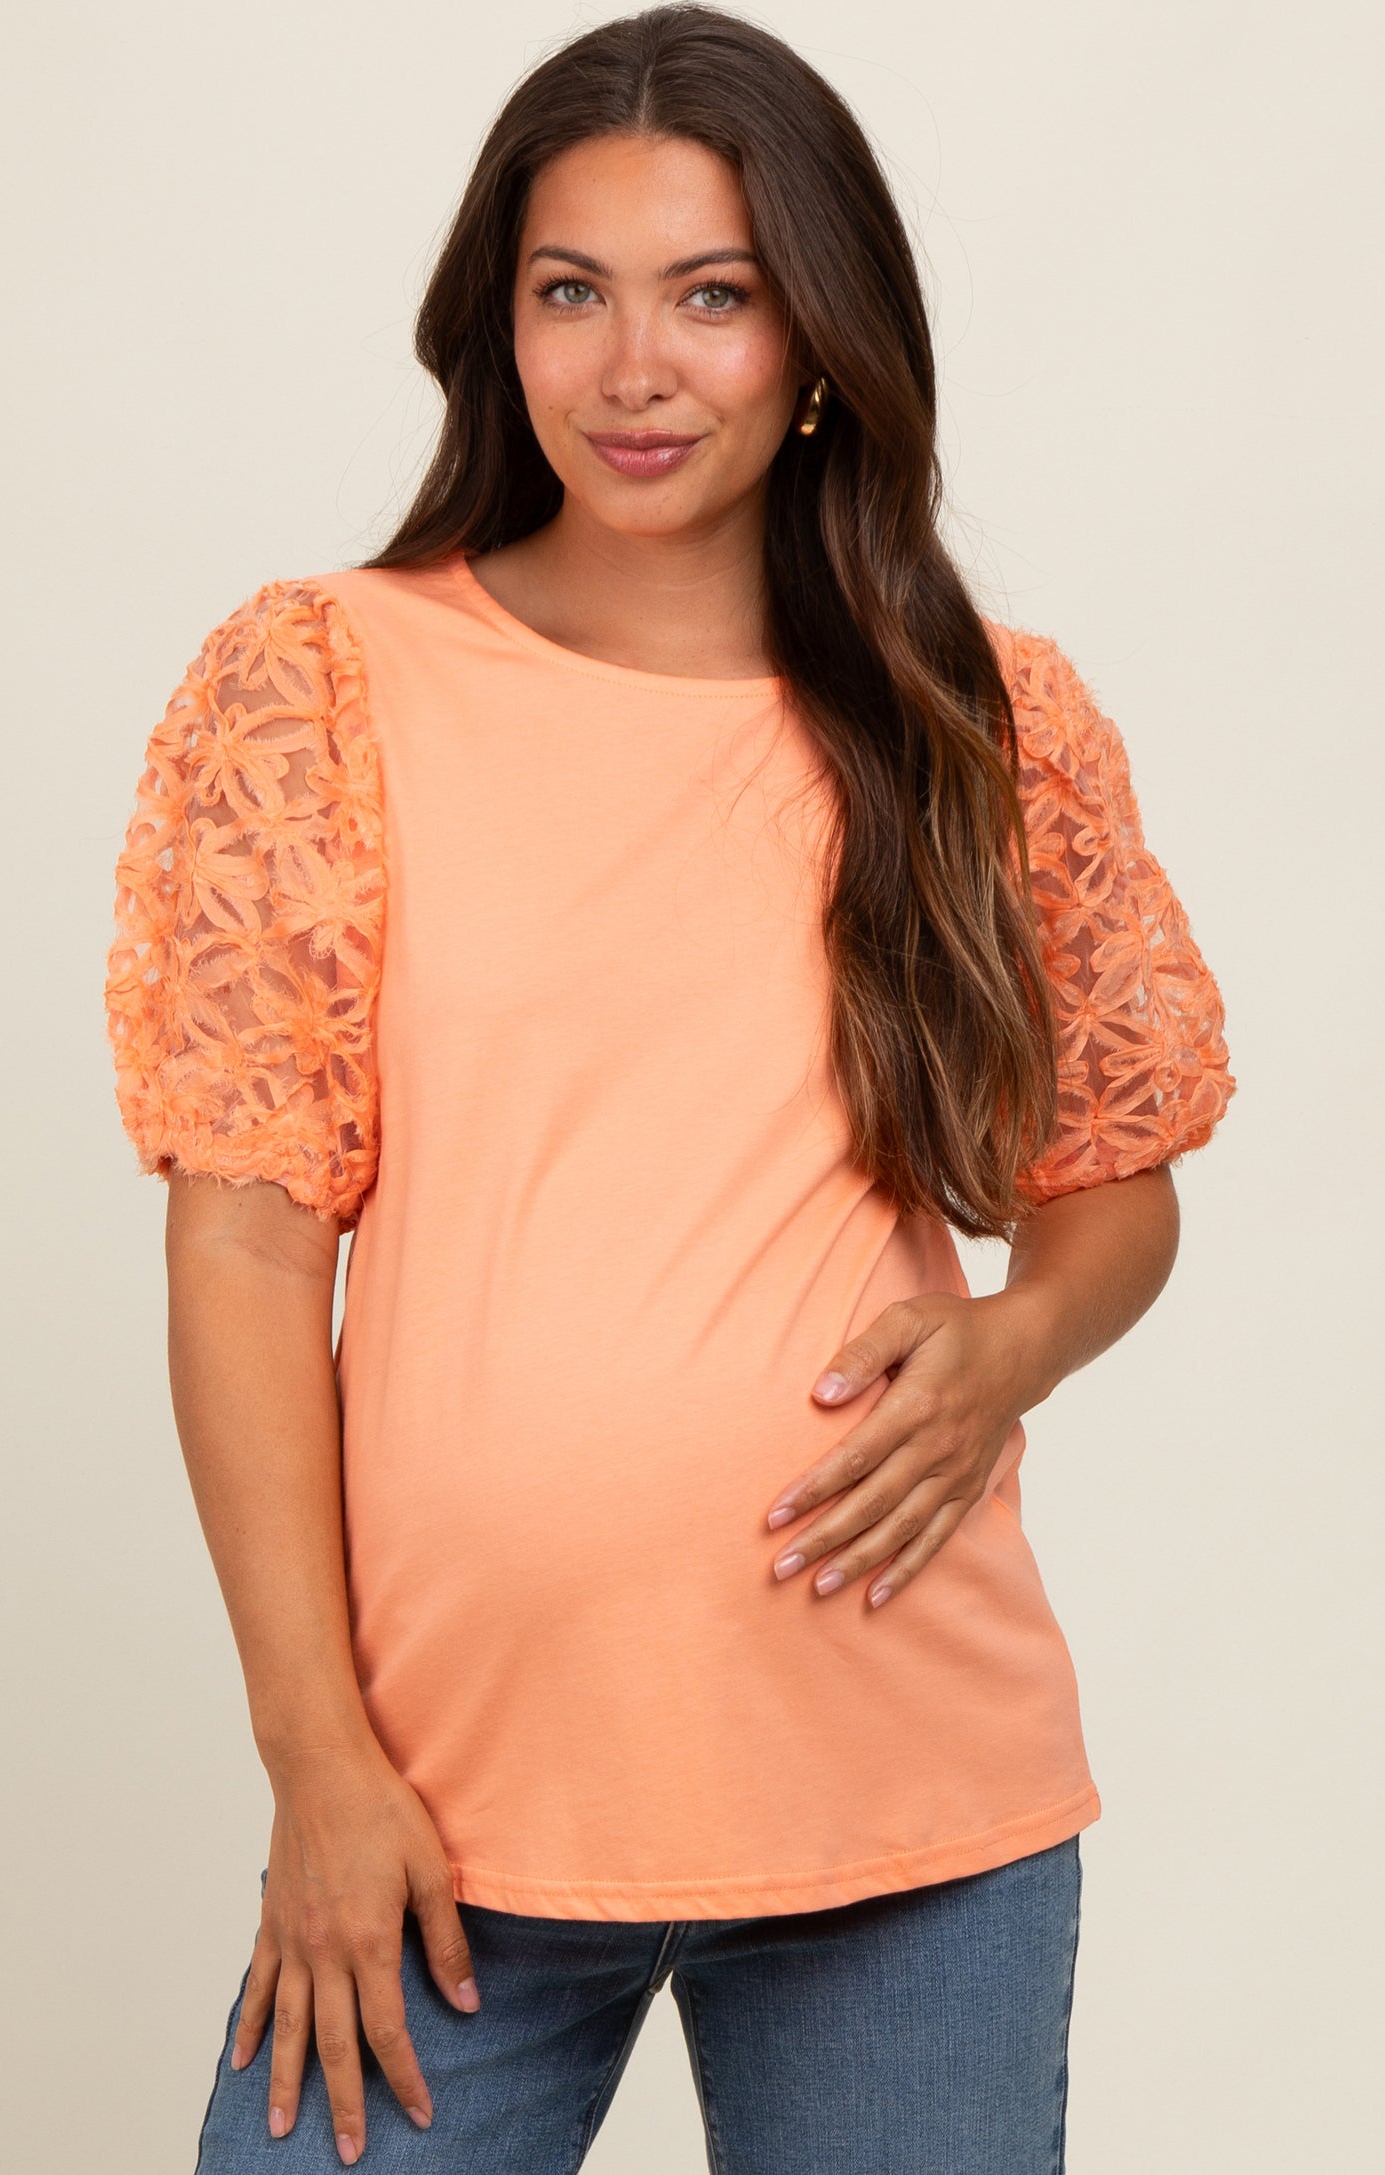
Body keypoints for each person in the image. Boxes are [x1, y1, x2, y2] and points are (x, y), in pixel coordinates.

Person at [104, 7, 1236, 2169]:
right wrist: (316, 1759)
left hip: (910, 1802)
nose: (634, 368)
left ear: (816, 337)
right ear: (497, 325)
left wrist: (1014, 1342)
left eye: (711, 295)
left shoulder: (971, 716)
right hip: (437, 1812)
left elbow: (1111, 1174)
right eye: (572, 292)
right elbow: (241, 1250)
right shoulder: (328, 682)